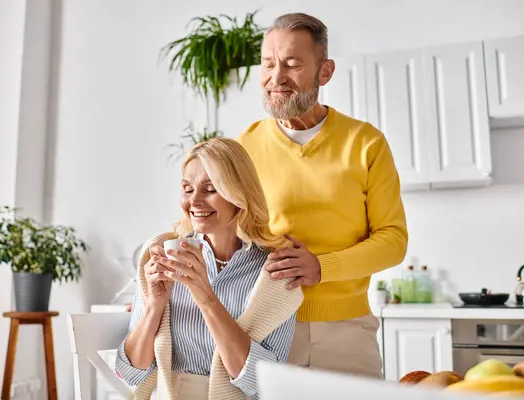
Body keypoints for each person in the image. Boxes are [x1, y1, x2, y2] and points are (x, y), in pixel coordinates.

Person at [237, 13, 408, 379]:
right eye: (268, 64)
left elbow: (393, 241)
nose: (276, 77)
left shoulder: (366, 142)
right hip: (267, 327)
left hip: (348, 332)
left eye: (292, 64)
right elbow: (212, 228)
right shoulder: (243, 147)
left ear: (325, 71)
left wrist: (321, 268)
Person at [115, 138, 303, 399]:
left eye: (210, 189)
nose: (195, 201)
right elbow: (131, 370)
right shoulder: (161, 253)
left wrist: (205, 296)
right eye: (187, 188)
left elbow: (263, 383)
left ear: (238, 194)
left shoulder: (275, 271)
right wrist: (154, 305)